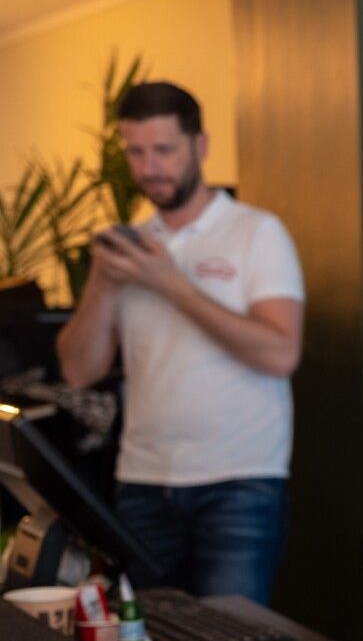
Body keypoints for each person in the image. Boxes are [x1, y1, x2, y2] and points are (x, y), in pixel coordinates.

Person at [57, 82, 304, 604]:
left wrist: (168, 281)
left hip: (238, 483)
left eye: (164, 149)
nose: (150, 167)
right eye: (137, 151)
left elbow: (281, 353)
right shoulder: (130, 246)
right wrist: (102, 281)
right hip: (142, 482)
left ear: (201, 145)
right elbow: (79, 372)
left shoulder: (255, 232)